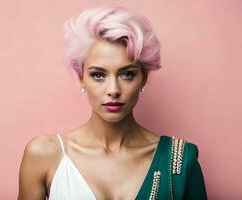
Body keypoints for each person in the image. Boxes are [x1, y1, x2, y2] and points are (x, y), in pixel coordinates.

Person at [18, 5, 207, 200]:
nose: (113, 90)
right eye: (98, 75)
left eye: (127, 74)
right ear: (81, 77)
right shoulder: (44, 155)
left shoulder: (180, 161)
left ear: (143, 77)